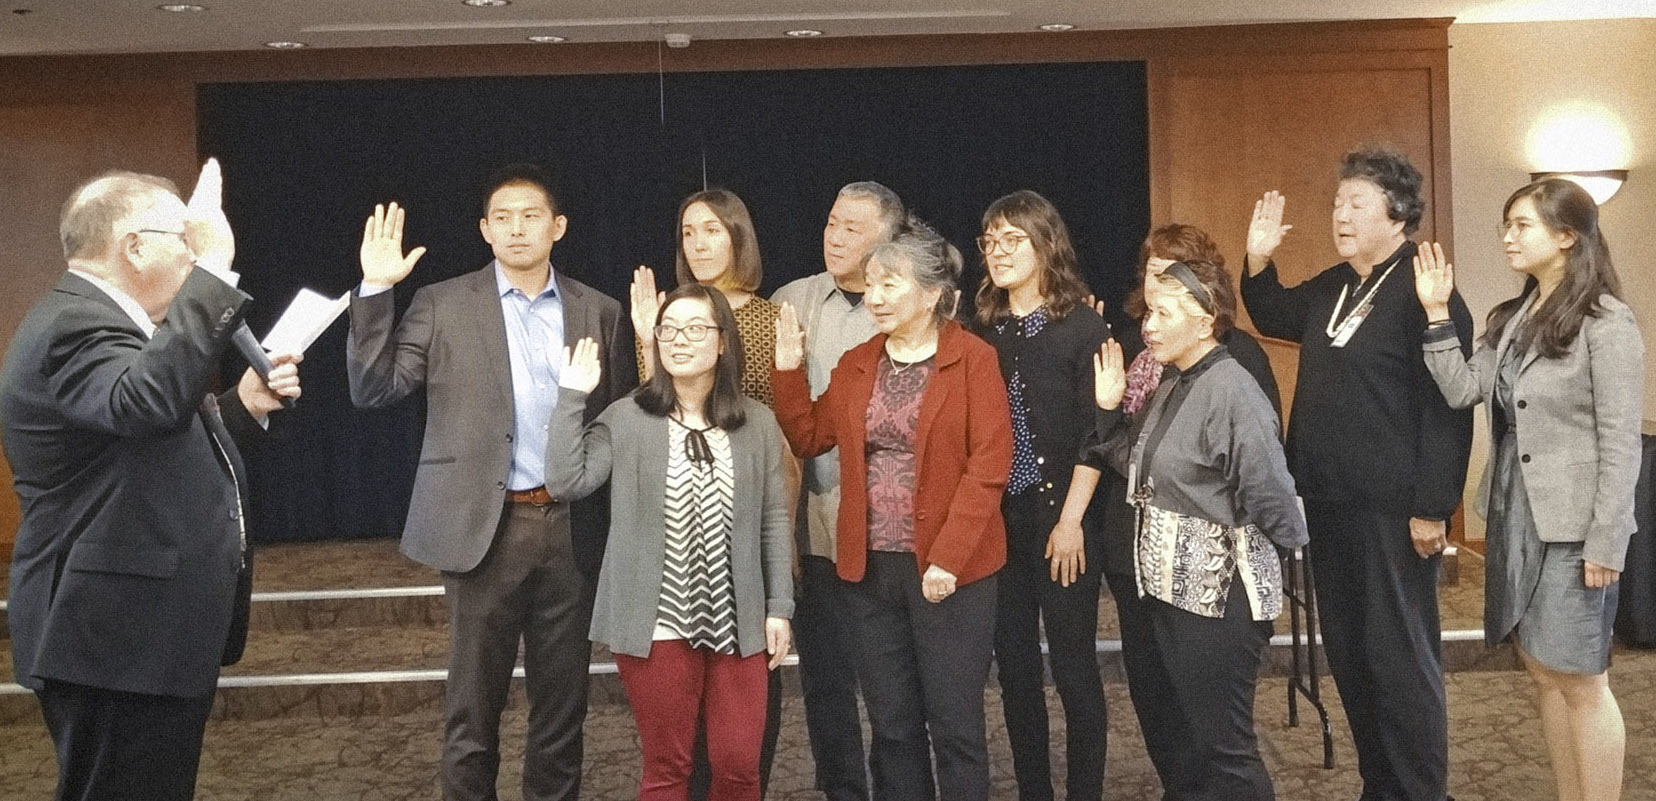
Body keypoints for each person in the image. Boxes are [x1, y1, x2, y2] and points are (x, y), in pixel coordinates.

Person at [1, 160, 302, 800]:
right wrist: (217, 267)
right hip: (112, 633)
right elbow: (145, 405)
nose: (194, 253)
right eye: (185, 241)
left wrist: (241, 408)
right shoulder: (74, 324)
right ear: (134, 247)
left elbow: (148, 444)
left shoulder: (115, 326)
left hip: (138, 632)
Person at [346, 163, 636, 801]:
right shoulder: (441, 302)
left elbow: (617, 425)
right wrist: (373, 287)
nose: (516, 229)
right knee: (471, 712)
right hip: (485, 528)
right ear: (483, 230)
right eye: (501, 218)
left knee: (563, 713)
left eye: (531, 216)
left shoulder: (601, 311)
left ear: (557, 227)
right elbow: (372, 389)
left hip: (572, 529)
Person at [1240, 146, 1474, 801]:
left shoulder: (1424, 290)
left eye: (1356, 204)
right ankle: (1383, 784)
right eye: (1338, 203)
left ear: (1397, 213)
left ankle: (1422, 790)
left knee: (1401, 659)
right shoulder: (1336, 284)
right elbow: (1273, 312)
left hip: (1395, 509)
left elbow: (1448, 410)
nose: (1339, 215)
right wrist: (1258, 257)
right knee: (1352, 653)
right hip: (1328, 500)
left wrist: (1433, 505)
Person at [1413, 178, 1643, 801]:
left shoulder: (1606, 321)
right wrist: (1437, 315)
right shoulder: (1512, 319)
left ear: (1567, 237)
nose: (1508, 236)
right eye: (1506, 224)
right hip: (1516, 514)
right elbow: (1462, 389)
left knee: (1581, 679)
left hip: (1575, 527)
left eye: (1523, 225)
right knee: (1542, 672)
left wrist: (1607, 540)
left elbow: (1622, 442)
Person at [773, 222, 1014, 801]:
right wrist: (786, 368)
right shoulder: (859, 362)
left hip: (951, 573)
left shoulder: (973, 358)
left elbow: (989, 466)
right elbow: (808, 436)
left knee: (956, 730)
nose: (874, 298)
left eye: (889, 285)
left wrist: (947, 561)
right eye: (872, 285)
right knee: (894, 727)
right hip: (869, 569)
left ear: (932, 294)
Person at [545, 283, 794, 801]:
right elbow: (568, 482)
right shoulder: (627, 416)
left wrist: (779, 607)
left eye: (696, 329)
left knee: (738, 765)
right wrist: (571, 396)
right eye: (668, 330)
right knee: (668, 767)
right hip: (655, 619)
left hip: (740, 617)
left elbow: (773, 519)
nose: (679, 340)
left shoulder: (758, 423)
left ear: (723, 341)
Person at [1091, 258, 1306, 800]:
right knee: (1194, 747)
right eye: (1148, 313)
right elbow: (1134, 462)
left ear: (1206, 319)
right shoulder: (1175, 381)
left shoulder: (1232, 389)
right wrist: (1108, 409)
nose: (1149, 326)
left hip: (1218, 602)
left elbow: (1274, 500)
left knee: (1225, 751)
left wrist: (1257, 561)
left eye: (1163, 313)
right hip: (1174, 595)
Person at [628, 187, 787, 796]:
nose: (698, 244)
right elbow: (652, 413)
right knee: (673, 735)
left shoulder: (769, 318)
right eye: (689, 232)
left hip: (747, 520)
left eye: (713, 231)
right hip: (674, 537)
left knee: (739, 739)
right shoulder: (666, 315)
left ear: (738, 238)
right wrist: (648, 339)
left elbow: (774, 433)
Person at [966, 190, 1111, 801]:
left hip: (1066, 521)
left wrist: (1072, 521)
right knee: (1017, 674)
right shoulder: (982, 329)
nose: (997, 253)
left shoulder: (1083, 325)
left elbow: (1098, 433)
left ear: (1045, 244)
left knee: (1075, 673)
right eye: (989, 242)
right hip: (1002, 525)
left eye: (1011, 240)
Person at [770, 180, 905, 801]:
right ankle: (843, 790)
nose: (835, 236)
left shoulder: (910, 307)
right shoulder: (793, 301)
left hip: (891, 529)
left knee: (893, 683)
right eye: (830, 222)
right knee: (826, 682)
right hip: (818, 525)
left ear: (889, 241)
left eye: (853, 228)